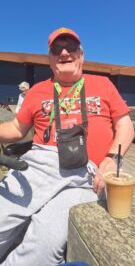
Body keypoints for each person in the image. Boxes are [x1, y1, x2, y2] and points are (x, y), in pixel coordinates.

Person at [0, 27, 134, 266]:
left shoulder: (102, 84)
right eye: (56, 49)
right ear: (50, 59)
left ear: (81, 55)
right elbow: (16, 129)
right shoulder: (37, 91)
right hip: (39, 166)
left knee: (46, 238)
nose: (64, 52)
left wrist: (111, 159)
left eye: (70, 47)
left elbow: (125, 125)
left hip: (87, 174)